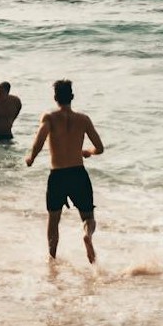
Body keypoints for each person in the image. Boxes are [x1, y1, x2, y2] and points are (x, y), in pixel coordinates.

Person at [25, 79, 104, 263]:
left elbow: (40, 139)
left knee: (54, 220)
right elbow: (99, 147)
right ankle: (87, 235)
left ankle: (52, 258)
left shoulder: (49, 117)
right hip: (78, 173)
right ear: (72, 97)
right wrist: (88, 152)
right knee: (88, 217)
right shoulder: (83, 119)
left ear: (55, 98)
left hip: (58, 175)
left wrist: (31, 158)